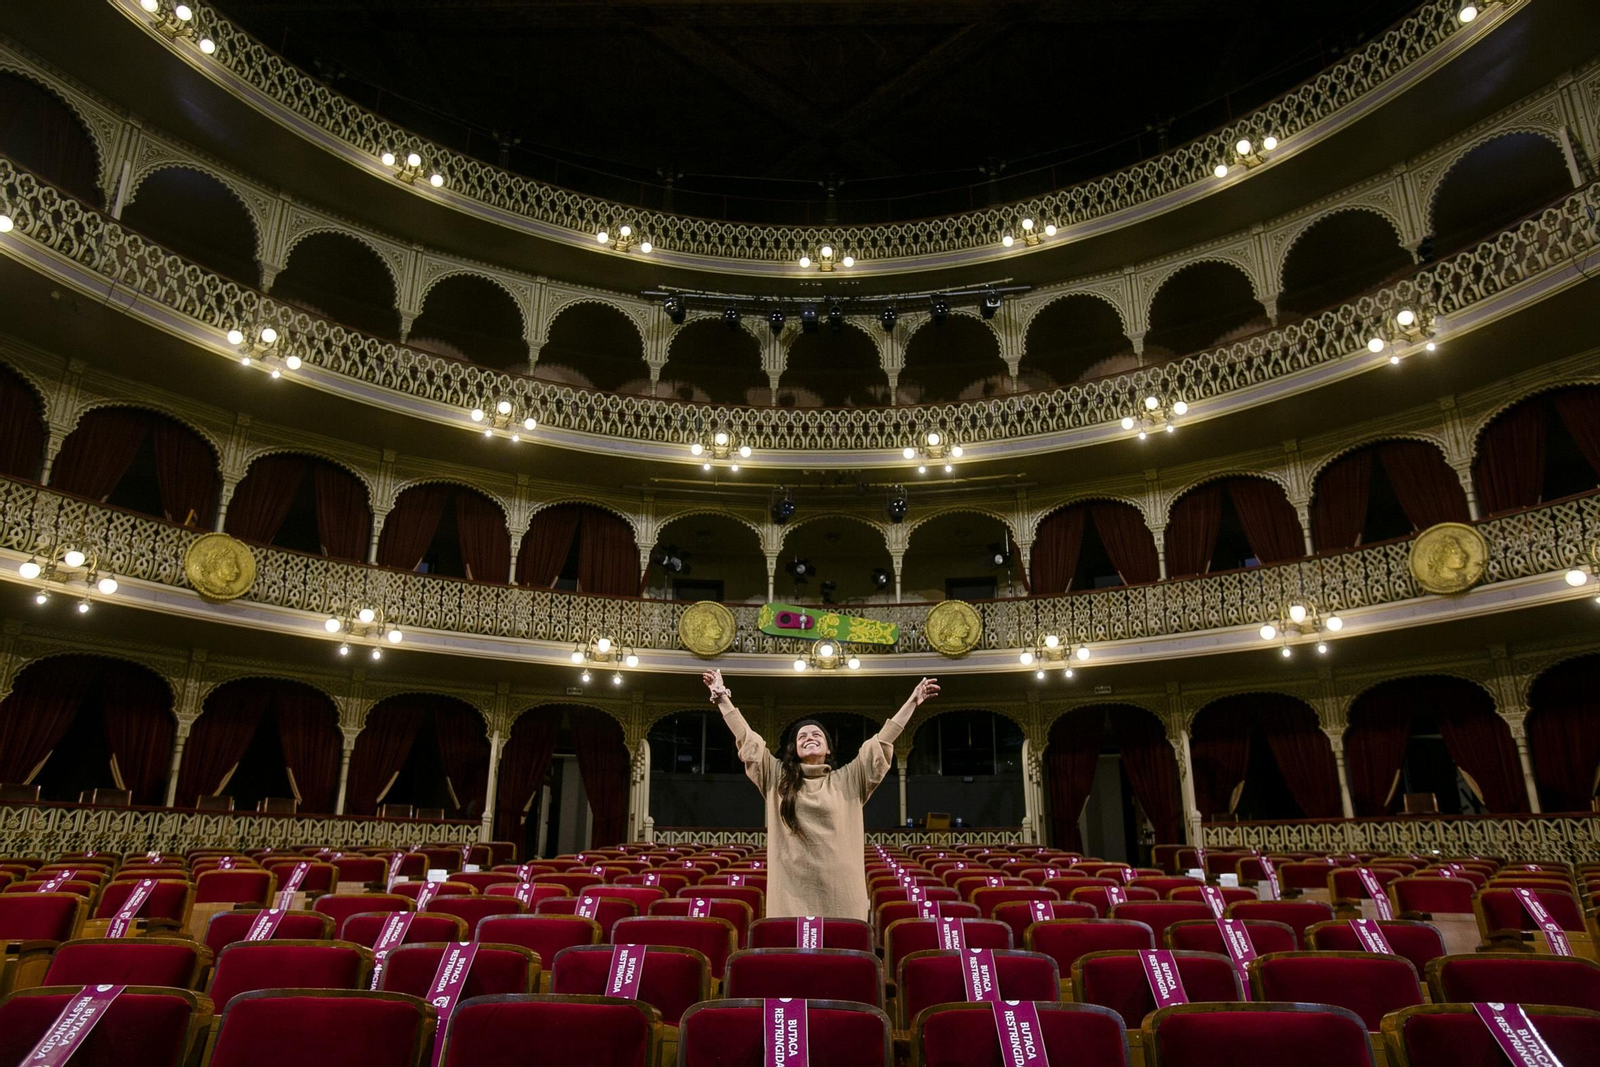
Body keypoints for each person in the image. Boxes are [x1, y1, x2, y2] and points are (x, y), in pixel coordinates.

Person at [702, 668, 939, 920]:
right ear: (794, 748)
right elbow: (747, 740)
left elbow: (881, 742)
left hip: (841, 892)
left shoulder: (849, 778)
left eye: (817, 735)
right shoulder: (776, 776)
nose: (809, 738)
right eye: (802, 736)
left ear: (828, 749)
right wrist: (722, 698)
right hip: (790, 892)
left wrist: (912, 702)